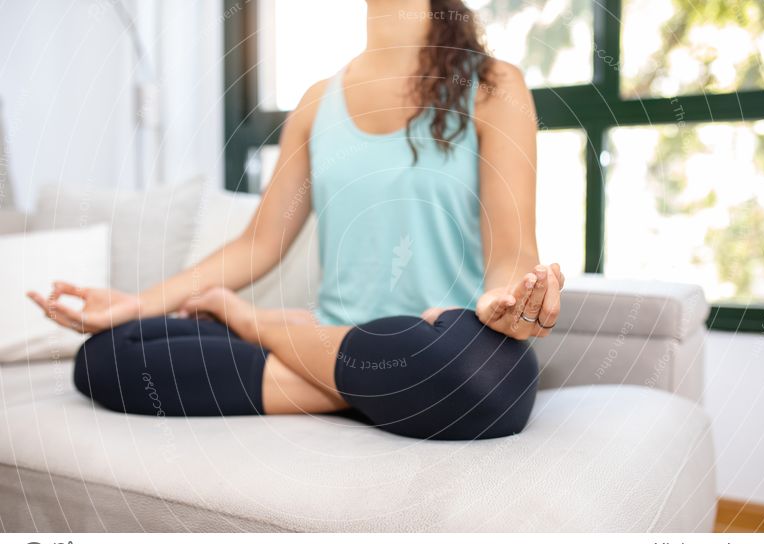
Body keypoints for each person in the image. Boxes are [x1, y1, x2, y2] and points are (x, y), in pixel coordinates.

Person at [28, 0, 564, 440]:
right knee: (104, 357)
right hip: (375, 355)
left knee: (482, 375)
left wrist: (507, 300)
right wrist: (135, 303)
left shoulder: (494, 87)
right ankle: (367, 386)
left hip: (445, 345)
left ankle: (257, 325)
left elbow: (513, 254)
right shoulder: (316, 104)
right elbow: (258, 245)